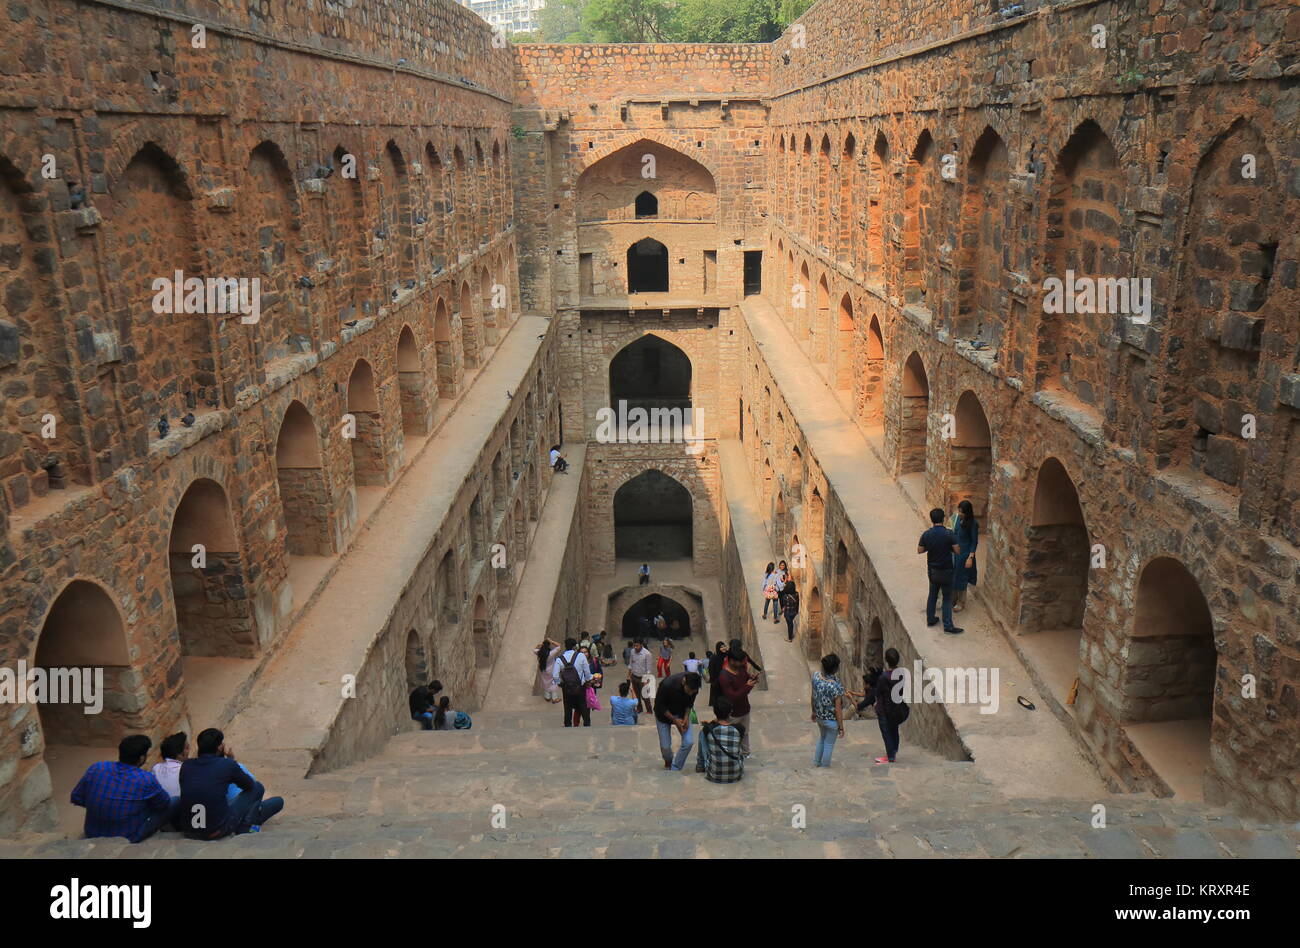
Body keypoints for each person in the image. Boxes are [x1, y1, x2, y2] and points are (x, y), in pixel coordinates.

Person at [70, 734, 178, 843]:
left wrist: (101, 805)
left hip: (92, 831)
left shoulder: (98, 768)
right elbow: (164, 804)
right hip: (128, 835)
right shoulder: (145, 779)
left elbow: (77, 797)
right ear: (141, 758)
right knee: (176, 801)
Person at [179, 728, 284, 839]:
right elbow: (249, 785)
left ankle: (249, 819)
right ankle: (244, 827)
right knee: (258, 788)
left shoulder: (186, 765)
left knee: (273, 803)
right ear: (219, 747)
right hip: (217, 830)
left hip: (189, 831)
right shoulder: (227, 764)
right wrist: (232, 763)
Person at [918, 507, 964, 634]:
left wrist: (931, 546)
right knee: (947, 598)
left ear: (931, 519)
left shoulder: (927, 534)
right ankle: (948, 625)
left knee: (932, 594)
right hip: (947, 570)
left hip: (933, 570)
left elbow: (920, 550)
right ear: (943, 519)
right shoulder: (949, 534)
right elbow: (957, 551)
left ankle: (930, 619)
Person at [654, 671, 700, 771]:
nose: (691, 693)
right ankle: (668, 761)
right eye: (690, 690)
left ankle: (675, 768)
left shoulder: (694, 687)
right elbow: (660, 707)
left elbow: (690, 703)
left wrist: (686, 717)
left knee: (689, 742)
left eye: (694, 691)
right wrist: (675, 720)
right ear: (684, 682)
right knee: (665, 747)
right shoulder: (667, 685)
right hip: (663, 715)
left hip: (681, 713)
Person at [718, 645, 758, 756]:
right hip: (733, 713)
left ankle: (745, 753)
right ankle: (730, 755)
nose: (742, 664)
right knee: (731, 735)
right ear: (731, 661)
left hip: (744, 708)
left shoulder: (740, 669)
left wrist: (752, 678)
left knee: (745, 733)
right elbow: (732, 696)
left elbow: (746, 677)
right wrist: (747, 686)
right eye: (739, 662)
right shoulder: (724, 676)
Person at [695, 695, 745, 783]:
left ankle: (700, 766)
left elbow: (710, 729)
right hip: (736, 774)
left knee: (702, 733)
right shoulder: (740, 728)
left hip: (714, 775)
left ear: (715, 712)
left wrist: (711, 723)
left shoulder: (708, 729)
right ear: (730, 712)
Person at [810, 653, 847, 767]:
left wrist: (813, 711)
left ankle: (816, 762)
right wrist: (841, 726)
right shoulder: (835, 686)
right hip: (831, 720)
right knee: (829, 744)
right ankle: (825, 767)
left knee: (822, 739)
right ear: (835, 669)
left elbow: (813, 696)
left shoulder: (816, 677)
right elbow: (838, 709)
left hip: (820, 717)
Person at [874, 648, 908, 764]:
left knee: (886, 732)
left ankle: (890, 756)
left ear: (886, 660)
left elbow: (878, 692)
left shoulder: (884, 677)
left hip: (884, 708)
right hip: (896, 707)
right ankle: (894, 750)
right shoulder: (901, 674)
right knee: (894, 730)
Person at [553, 636, 593, 727]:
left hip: (567, 687)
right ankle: (587, 725)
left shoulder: (560, 659)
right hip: (580, 686)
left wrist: (560, 683)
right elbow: (587, 671)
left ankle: (568, 725)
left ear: (565, 647)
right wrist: (587, 681)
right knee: (583, 706)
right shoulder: (581, 656)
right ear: (575, 646)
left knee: (568, 708)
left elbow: (555, 675)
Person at [951, 500, 979, 613]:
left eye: (962, 512)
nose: (959, 513)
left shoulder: (973, 524)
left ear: (967, 512)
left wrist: (970, 558)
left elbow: (974, 542)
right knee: (953, 576)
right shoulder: (956, 518)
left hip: (964, 554)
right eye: (959, 510)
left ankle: (960, 602)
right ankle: (953, 599)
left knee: (961, 578)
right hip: (954, 553)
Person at [152, 731, 187, 799]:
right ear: (179, 754)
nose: (188, 751)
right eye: (187, 748)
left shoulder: (156, 768)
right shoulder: (185, 769)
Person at [626, 637, 656, 713]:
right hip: (634, 676)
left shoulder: (647, 654)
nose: (636, 647)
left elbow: (648, 669)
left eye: (637, 646)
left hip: (643, 678)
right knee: (636, 695)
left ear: (641, 645)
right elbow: (630, 664)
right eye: (634, 645)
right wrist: (629, 675)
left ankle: (649, 710)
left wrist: (646, 680)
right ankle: (639, 708)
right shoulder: (632, 651)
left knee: (645, 696)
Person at [536, 637, 562, 703]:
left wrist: (540, 645)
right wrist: (552, 641)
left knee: (545, 682)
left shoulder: (539, 653)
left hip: (543, 670)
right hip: (552, 670)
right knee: (554, 682)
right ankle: (554, 698)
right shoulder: (551, 653)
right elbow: (559, 646)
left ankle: (547, 696)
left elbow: (534, 649)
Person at [706, 640, 728, 710]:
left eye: (724, 646)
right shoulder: (714, 657)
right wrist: (713, 679)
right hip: (717, 679)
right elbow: (711, 669)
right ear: (718, 648)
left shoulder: (727, 656)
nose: (723, 648)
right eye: (721, 647)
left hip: (726, 678)